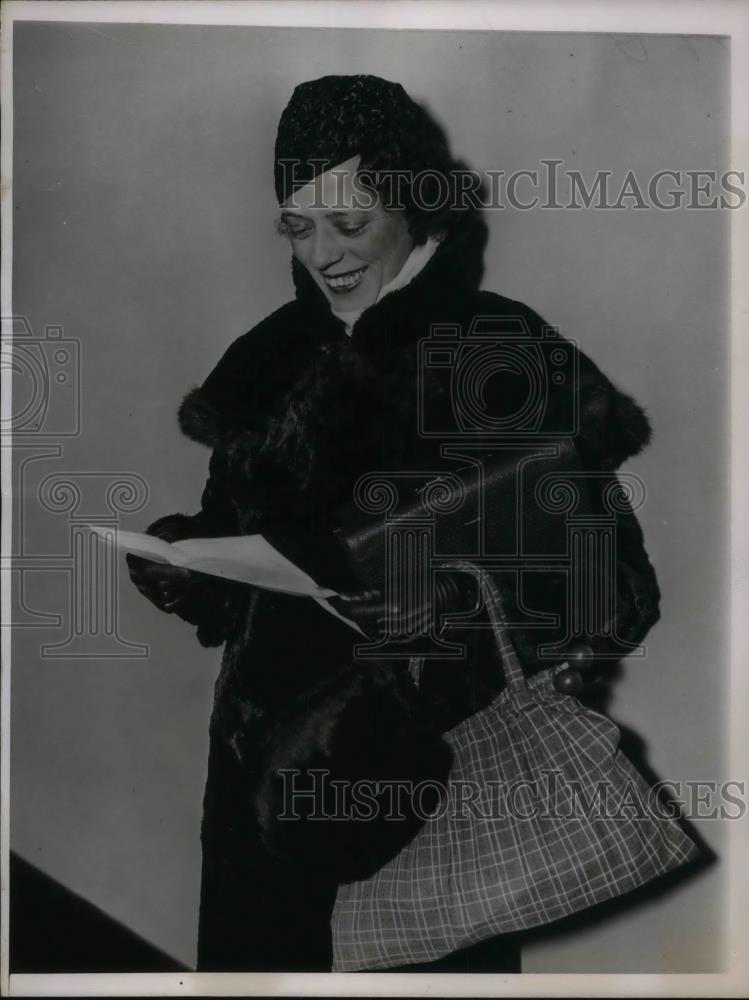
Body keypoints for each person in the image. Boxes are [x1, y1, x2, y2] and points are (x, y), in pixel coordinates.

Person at [127, 75, 660, 973]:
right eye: (299, 225)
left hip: (428, 789)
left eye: (349, 222)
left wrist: (454, 610)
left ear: (416, 208)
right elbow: (236, 553)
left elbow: (615, 590)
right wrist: (185, 562)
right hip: (258, 798)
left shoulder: (500, 357)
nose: (323, 254)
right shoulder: (266, 360)